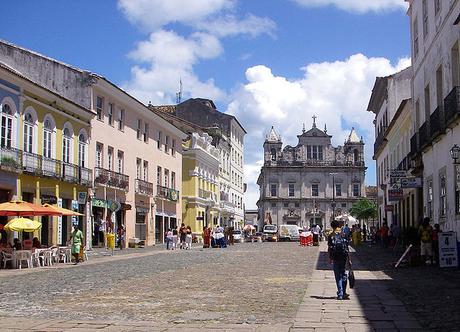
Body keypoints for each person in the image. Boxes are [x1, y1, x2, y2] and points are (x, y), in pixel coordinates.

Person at [328, 220, 352, 300]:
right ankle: (344, 292)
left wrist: (330, 258)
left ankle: (340, 292)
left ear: (332, 226)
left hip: (335, 257)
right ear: (338, 226)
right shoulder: (343, 234)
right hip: (344, 257)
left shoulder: (331, 235)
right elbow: (347, 247)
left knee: (337, 276)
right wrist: (349, 259)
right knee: (344, 274)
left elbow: (330, 248)